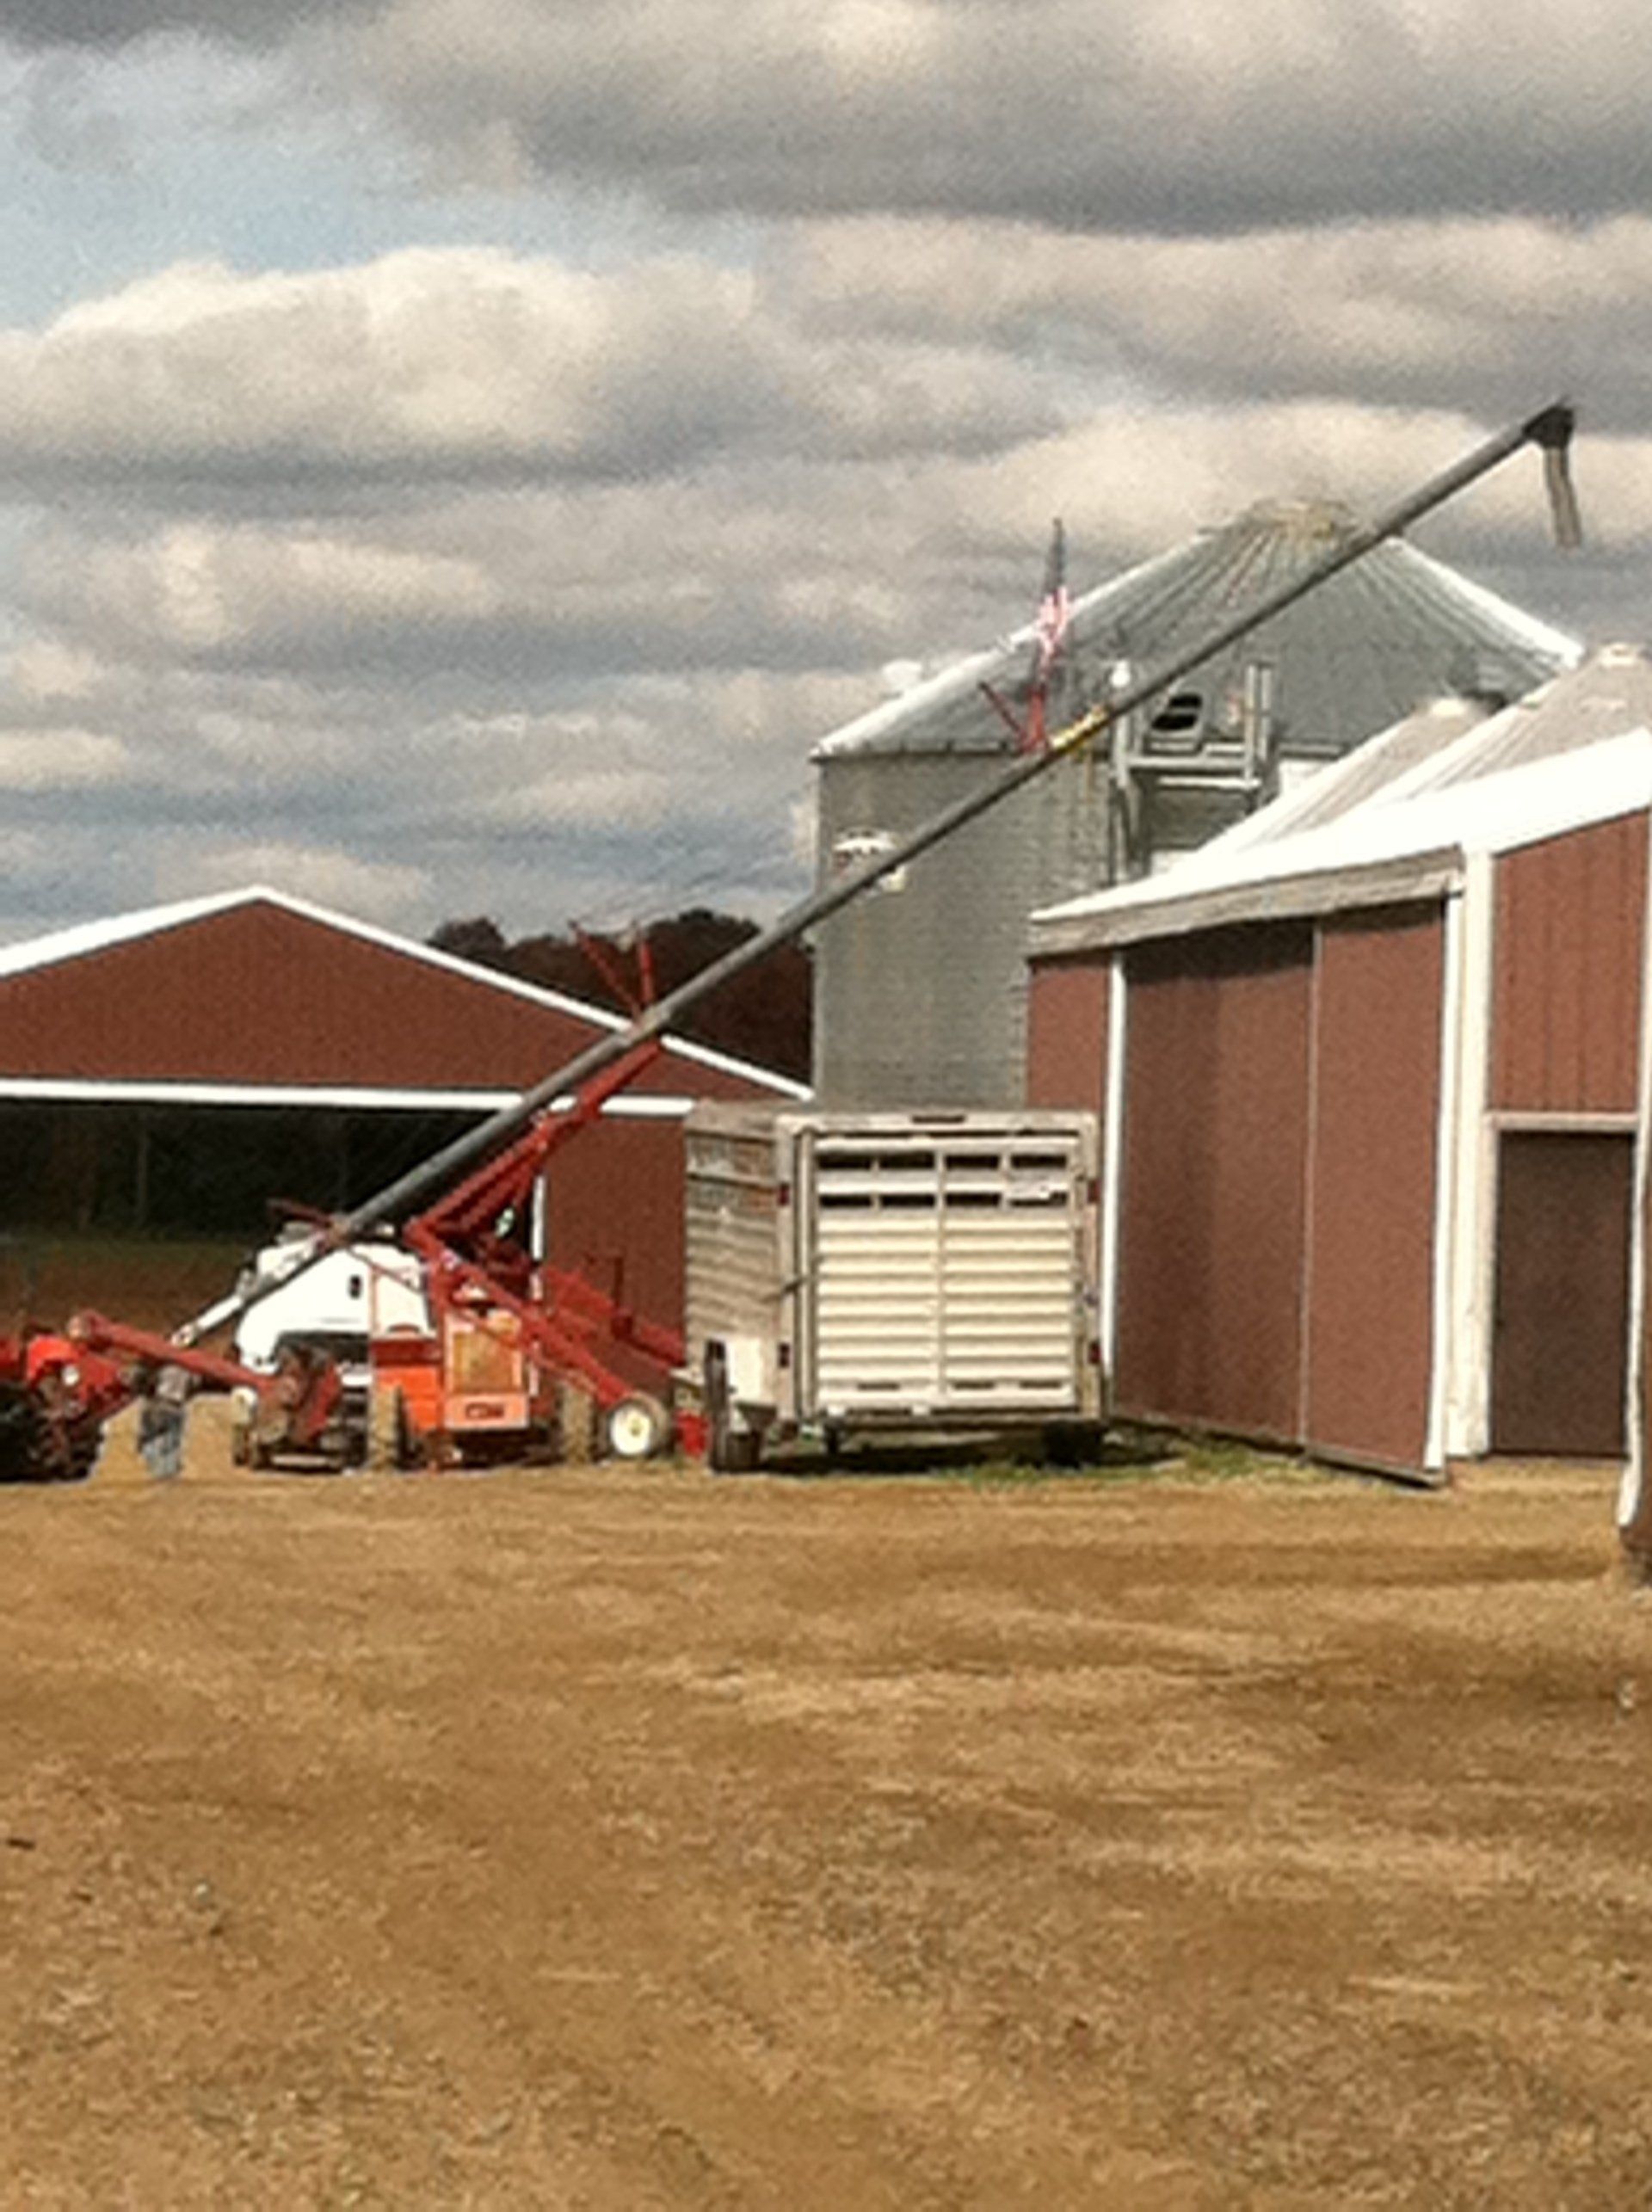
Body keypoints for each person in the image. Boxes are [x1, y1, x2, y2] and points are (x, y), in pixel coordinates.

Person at [137, 1356, 194, 1482]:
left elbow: (147, 1384)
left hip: (159, 1402)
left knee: (153, 1436)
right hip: (177, 1405)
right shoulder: (188, 1369)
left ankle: (158, 1465)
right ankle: (169, 1468)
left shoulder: (160, 1368)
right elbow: (192, 1386)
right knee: (173, 1439)